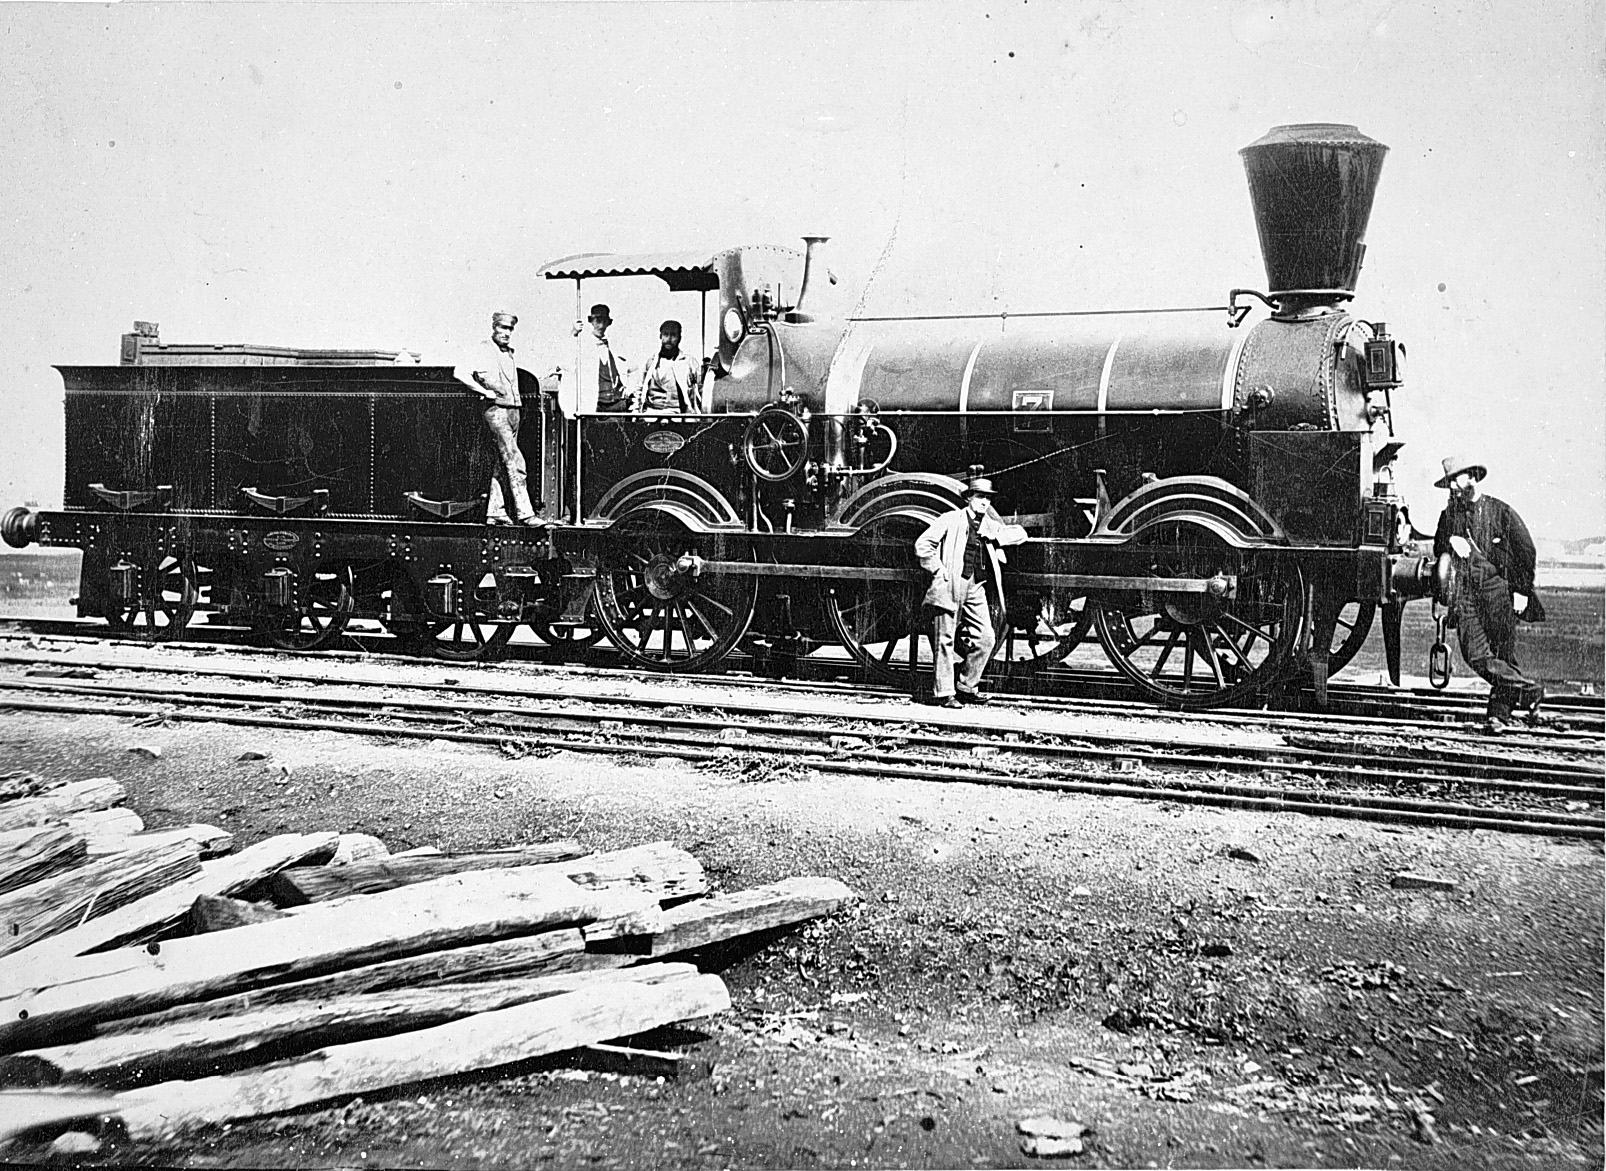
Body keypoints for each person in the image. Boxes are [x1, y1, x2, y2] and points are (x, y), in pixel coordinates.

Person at [1432, 455, 1546, 732]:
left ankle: (1498, 716)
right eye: (1449, 484)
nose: (1452, 489)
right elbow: (1438, 550)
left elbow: (1526, 551)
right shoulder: (1449, 516)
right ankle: (1530, 692)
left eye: (1455, 481)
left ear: (1471, 477)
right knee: (1475, 656)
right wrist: (1449, 540)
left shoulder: (1501, 511)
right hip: (1465, 595)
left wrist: (1522, 591)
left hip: (1499, 592)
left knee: (1503, 656)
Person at [914, 476, 1028, 708]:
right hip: (949, 585)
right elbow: (923, 545)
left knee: (986, 638)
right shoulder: (950, 519)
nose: (984, 503)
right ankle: (943, 693)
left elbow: (1020, 534)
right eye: (980, 497)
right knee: (943, 640)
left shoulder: (988, 525)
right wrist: (938, 570)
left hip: (975, 587)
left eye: (988, 498)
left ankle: (966, 686)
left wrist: (997, 536)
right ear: (969, 499)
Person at [460, 311, 538, 526]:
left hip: (513, 410)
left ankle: (495, 512)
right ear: (494, 327)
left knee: (501, 462)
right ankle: (526, 513)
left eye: (510, 329)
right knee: (515, 460)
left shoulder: (509, 353)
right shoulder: (483, 348)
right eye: (502, 328)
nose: (506, 333)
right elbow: (461, 372)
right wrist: (483, 392)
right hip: (496, 411)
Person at [633, 320, 703, 413]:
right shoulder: (650, 363)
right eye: (666, 334)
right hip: (650, 415)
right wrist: (635, 414)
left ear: (679, 338)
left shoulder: (689, 363)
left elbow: (701, 391)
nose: (669, 339)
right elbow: (639, 390)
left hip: (678, 416)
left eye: (673, 335)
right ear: (660, 336)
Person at [572, 303, 630, 413]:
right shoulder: (582, 345)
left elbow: (631, 369)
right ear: (591, 321)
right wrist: (574, 334)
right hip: (593, 404)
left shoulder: (615, 345)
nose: (601, 325)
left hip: (616, 404)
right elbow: (566, 363)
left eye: (605, 321)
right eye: (598, 321)